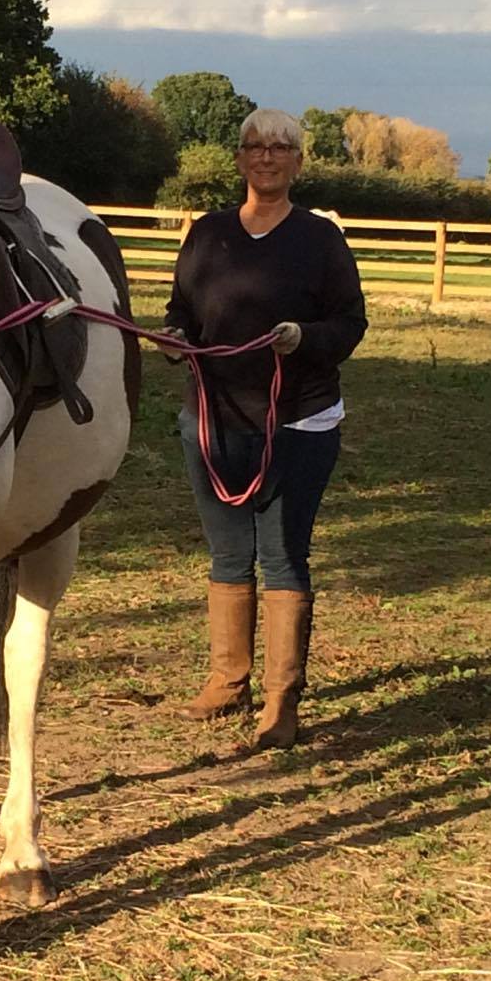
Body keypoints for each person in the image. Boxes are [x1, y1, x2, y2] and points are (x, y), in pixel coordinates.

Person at [162, 108, 367, 749]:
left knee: (282, 554)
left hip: (298, 419)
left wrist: (305, 338)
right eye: (255, 146)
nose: (267, 156)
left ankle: (282, 697)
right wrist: (172, 338)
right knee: (227, 553)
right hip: (214, 416)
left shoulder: (320, 240)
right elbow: (182, 309)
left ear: (298, 161)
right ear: (241, 158)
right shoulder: (207, 234)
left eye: (281, 147)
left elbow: (350, 323)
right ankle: (228, 681)